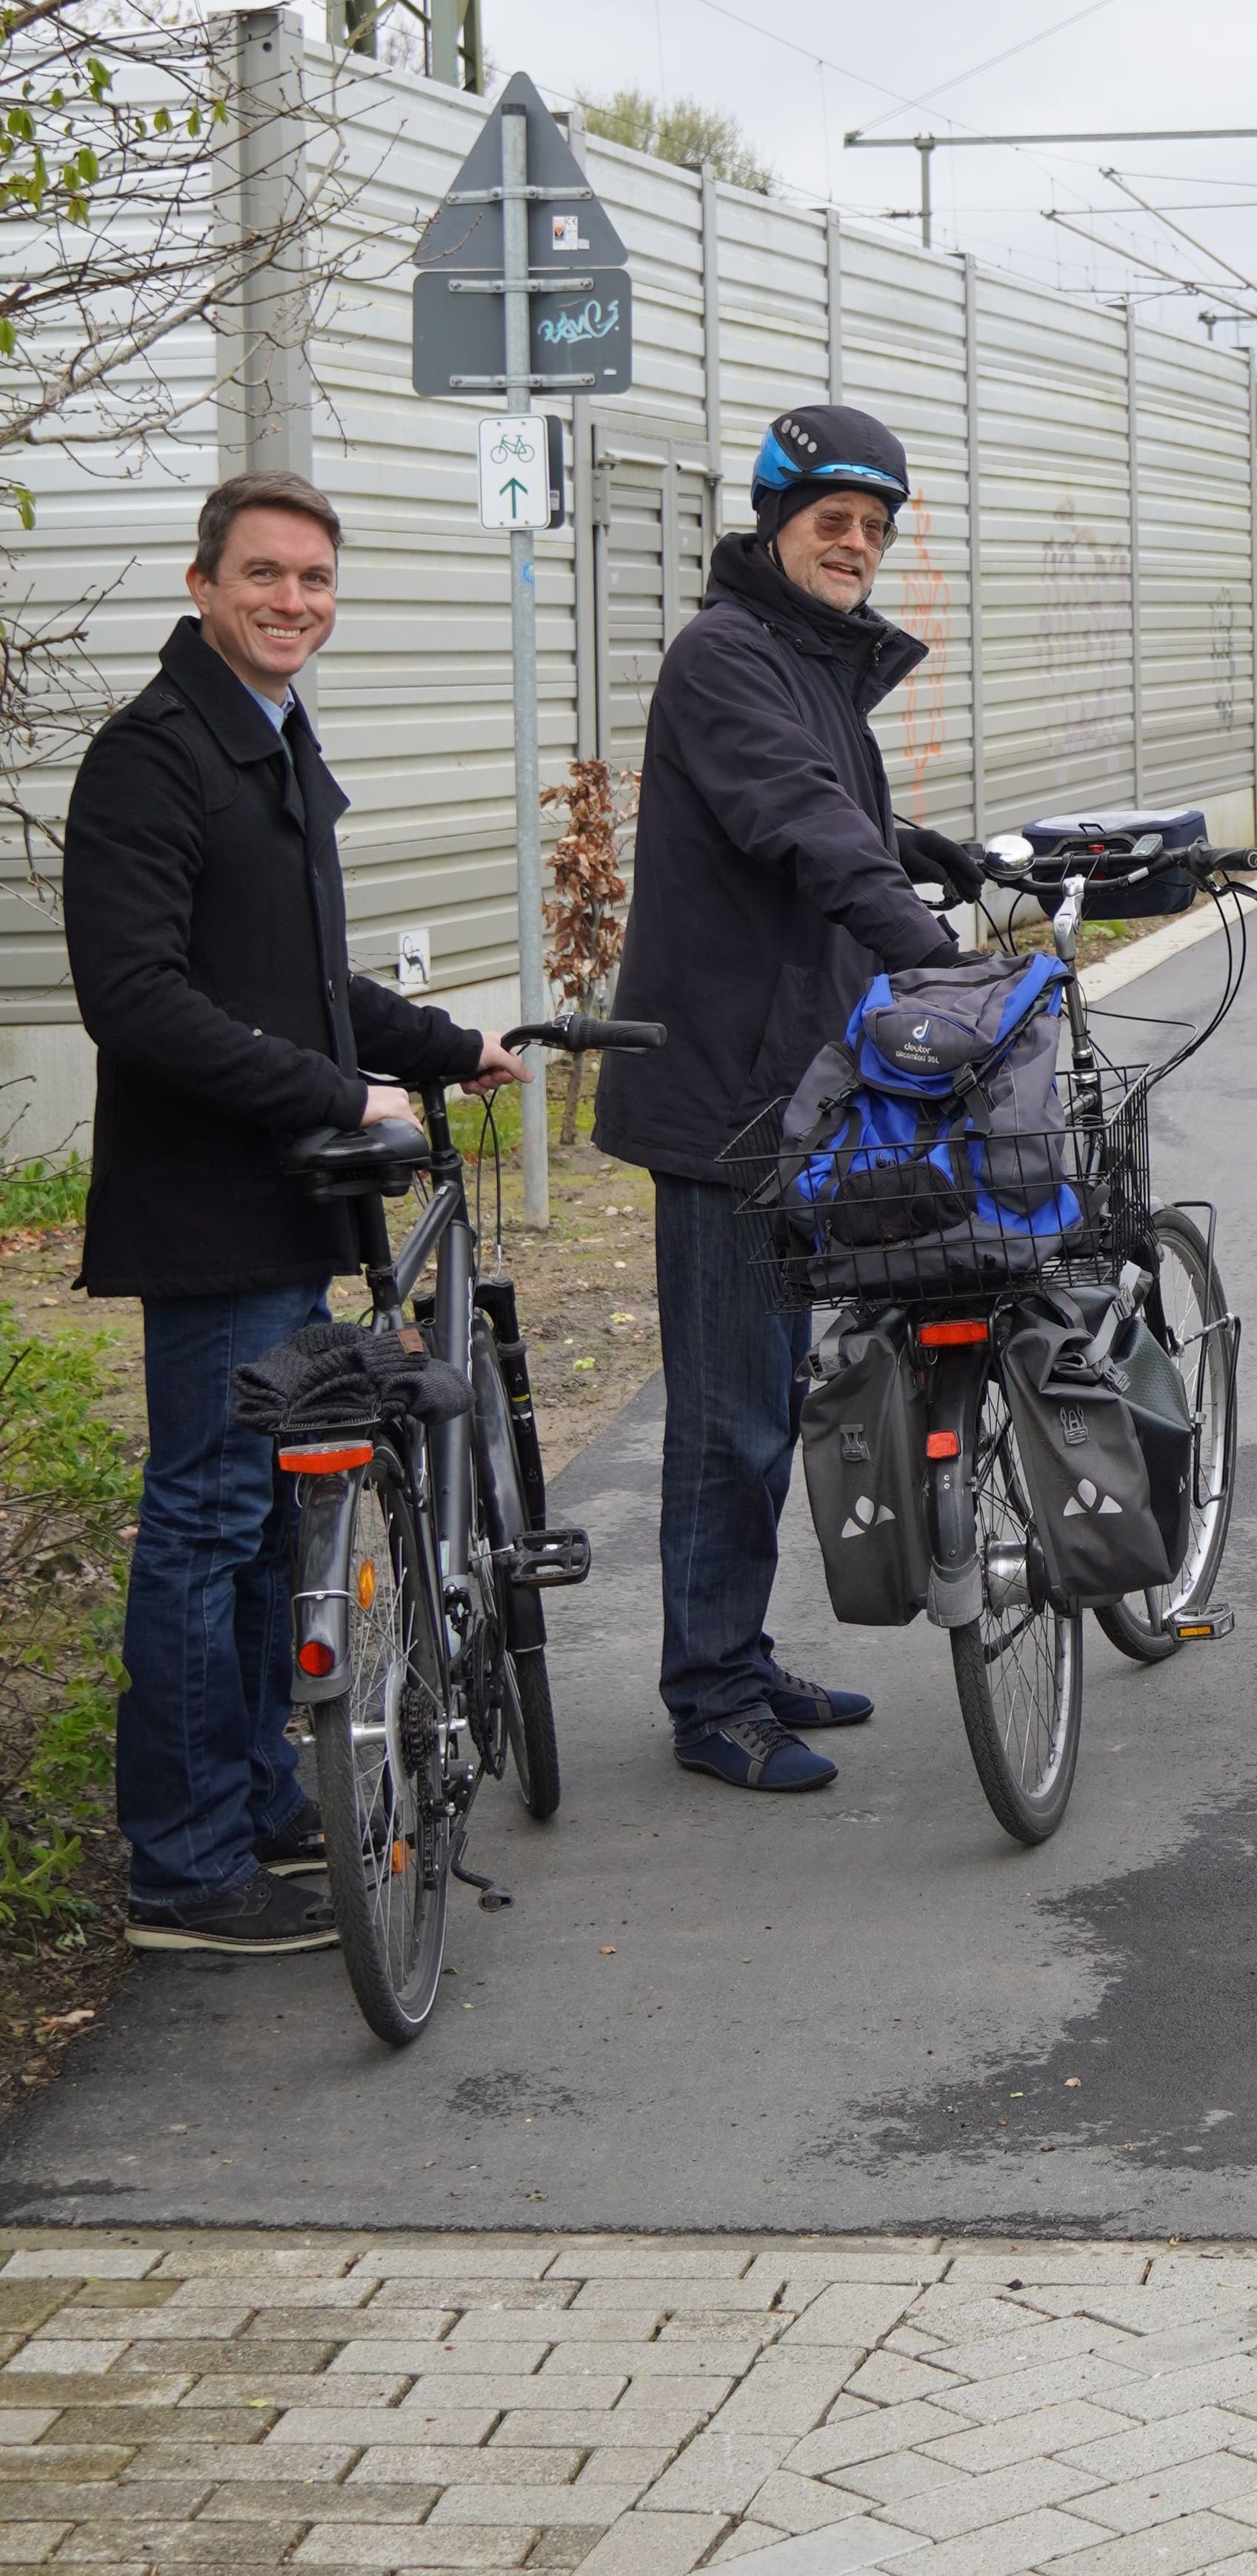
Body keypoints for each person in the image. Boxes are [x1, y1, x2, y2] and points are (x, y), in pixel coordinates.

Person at [63, 472, 527, 1953]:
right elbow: (134, 1001)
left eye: (316, 579)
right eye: (264, 573)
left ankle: (262, 1801)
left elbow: (302, 981)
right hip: (212, 1213)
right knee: (205, 1525)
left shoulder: (264, 745)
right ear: (205, 584)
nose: (292, 600)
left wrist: (448, 1048)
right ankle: (184, 1870)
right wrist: (337, 1096)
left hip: (286, 1204)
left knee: (268, 1524)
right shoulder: (154, 757)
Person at [596, 402, 981, 1796]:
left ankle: (741, 1654)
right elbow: (797, 820)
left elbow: (842, 814)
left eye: (876, 528)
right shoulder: (726, 656)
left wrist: (951, 857)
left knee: (764, 1386)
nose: (859, 546)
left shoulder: (795, 659)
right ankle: (710, 1695)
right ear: (776, 524)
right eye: (835, 522)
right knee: (728, 1409)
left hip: (782, 1090)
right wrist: (929, 953)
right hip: (722, 1098)